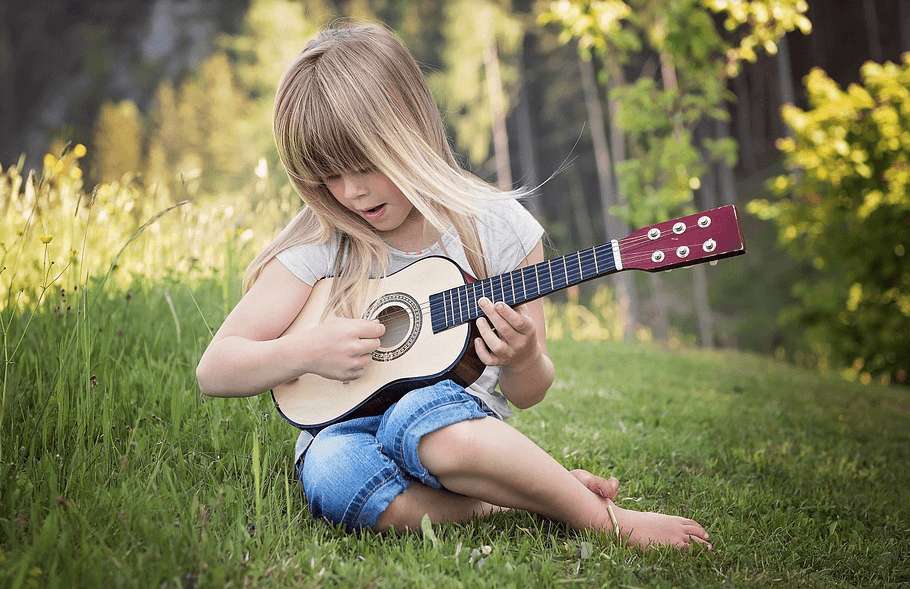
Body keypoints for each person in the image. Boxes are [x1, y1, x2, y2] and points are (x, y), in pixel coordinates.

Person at [196, 21, 712, 551]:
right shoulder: (322, 241)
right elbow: (215, 369)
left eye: (365, 165)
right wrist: (303, 351)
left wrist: (522, 358)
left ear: (410, 129)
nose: (350, 191)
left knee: (420, 416)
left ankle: (606, 521)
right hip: (342, 429)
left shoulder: (496, 227)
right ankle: (520, 495)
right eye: (328, 175)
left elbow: (528, 393)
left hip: (455, 428)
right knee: (330, 474)